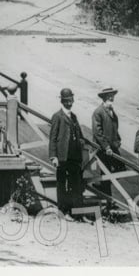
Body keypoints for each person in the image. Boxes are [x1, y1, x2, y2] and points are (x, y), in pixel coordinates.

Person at [48, 88, 85, 221]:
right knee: (62, 184)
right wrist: (53, 156)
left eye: (71, 100)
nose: (70, 102)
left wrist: (80, 141)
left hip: (74, 156)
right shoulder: (57, 116)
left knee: (75, 184)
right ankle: (63, 212)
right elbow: (52, 137)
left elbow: (80, 133)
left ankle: (77, 213)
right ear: (62, 101)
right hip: (62, 156)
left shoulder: (73, 116)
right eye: (67, 100)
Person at [91, 87, 123, 204]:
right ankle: (106, 198)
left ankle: (101, 187)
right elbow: (97, 132)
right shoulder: (98, 112)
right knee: (106, 173)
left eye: (112, 96)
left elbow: (115, 128)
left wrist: (118, 140)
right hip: (102, 149)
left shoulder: (111, 111)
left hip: (113, 147)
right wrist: (107, 147)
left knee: (120, 168)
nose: (111, 98)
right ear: (104, 98)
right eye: (109, 96)